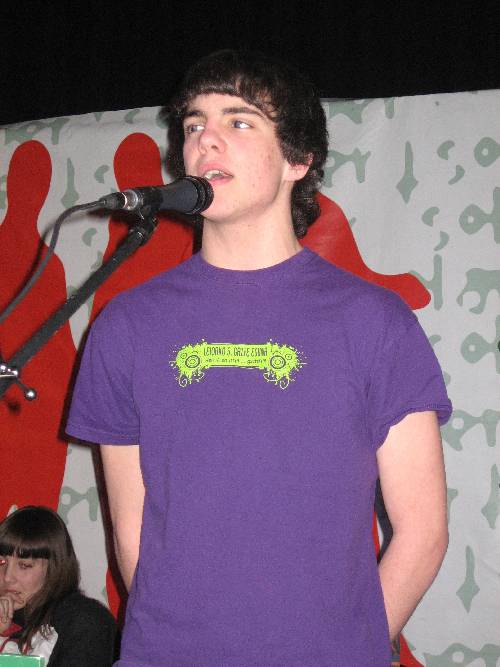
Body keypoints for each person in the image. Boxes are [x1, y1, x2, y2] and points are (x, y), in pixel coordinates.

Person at [66, 49, 452, 666]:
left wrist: (349, 650)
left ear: (299, 159)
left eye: (239, 121)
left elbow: (423, 531)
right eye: (193, 124)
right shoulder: (126, 324)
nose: (205, 139)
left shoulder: (375, 322)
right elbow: (132, 531)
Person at [0, 506, 117, 666]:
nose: (7, 577)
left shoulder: (85, 620)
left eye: (25, 565)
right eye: (1, 562)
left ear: (54, 567)